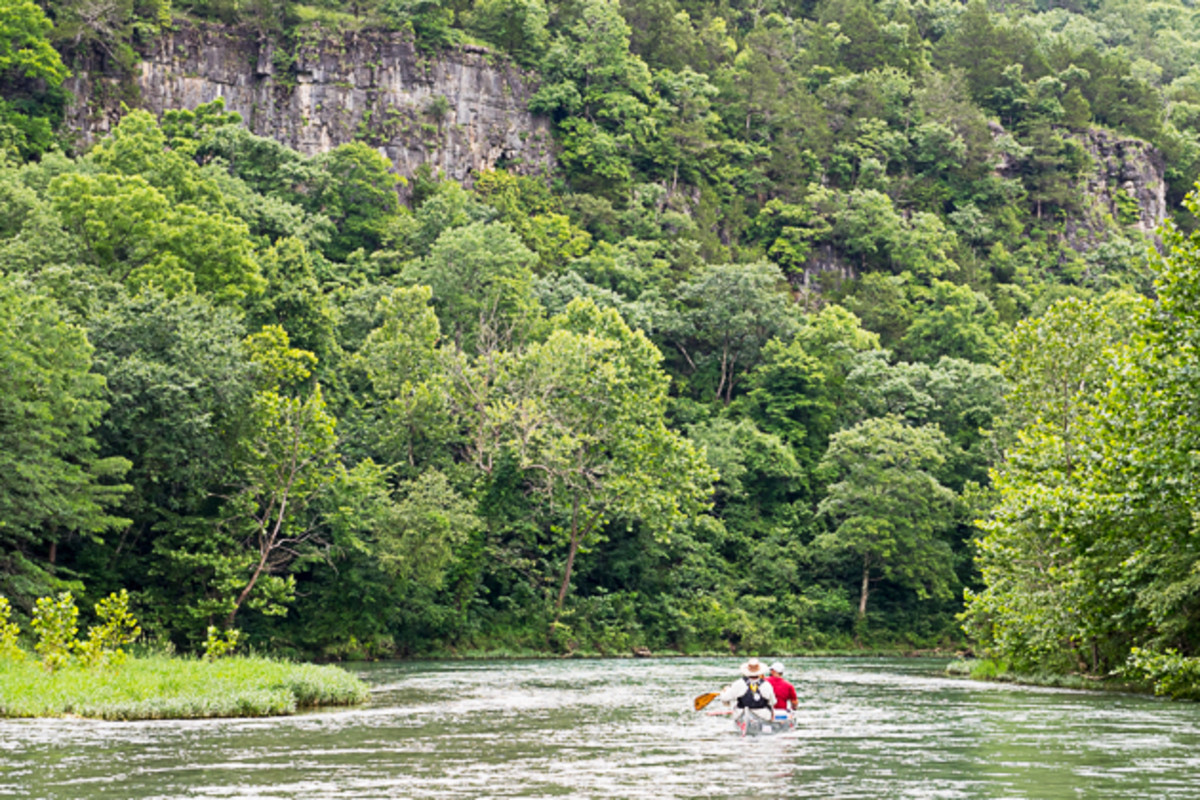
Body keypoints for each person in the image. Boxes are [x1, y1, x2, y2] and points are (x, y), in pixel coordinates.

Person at [717, 657, 777, 727]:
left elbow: (724, 698)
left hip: (741, 714)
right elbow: (773, 702)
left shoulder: (738, 684)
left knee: (734, 705)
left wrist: (724, 691)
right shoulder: (767, 685)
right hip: (763, 715)